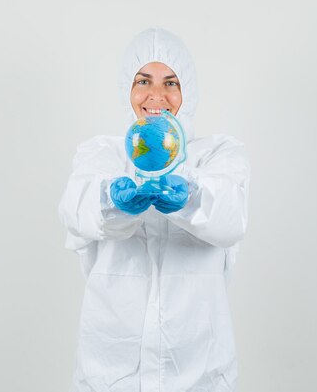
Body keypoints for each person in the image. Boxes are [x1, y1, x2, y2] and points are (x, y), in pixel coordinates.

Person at [58, 27, 250, 392]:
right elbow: (75, 209)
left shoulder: (218, 154)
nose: (156, 96)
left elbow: (229, 217)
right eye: (143, 80)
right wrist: (112, 201)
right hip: (110, 372)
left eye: (171, 83)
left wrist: (190, 196)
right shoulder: (103, 154)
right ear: (126, 90)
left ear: (187, 91)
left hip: (199, 372)